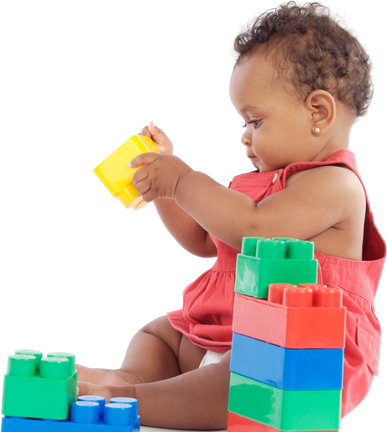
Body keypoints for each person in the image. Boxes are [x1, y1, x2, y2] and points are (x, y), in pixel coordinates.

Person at [75, 2, 387, 429]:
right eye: (242, 120)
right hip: (224, 328)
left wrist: (182, 181)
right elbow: (206, 240)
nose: (244, 136)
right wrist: (162, 192)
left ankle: (130, 399)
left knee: (252, 375)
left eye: (254, 121)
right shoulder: (259, 184)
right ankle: (132, 377)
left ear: (319, 112)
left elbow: (253, 228)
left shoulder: (334, 186)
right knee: (159, 333)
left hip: (300, 353)